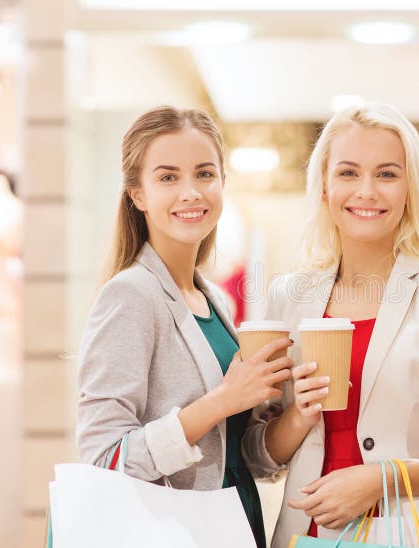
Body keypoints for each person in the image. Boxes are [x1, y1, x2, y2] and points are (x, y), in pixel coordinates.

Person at [245, 103, 419, 547]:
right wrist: (297, 416)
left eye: (387, 174)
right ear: (325, 189)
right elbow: (256, 457)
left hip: (410, 533)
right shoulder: (287, 298)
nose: (366, 191)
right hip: (305, 536)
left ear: (410, 190)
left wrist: (383, 479)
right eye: (348, 173)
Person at [76, 106, 293, 547]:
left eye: (204, 174)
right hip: (172, 529)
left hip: (232, 516)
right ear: (137, 194)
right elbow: (104, 459)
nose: (191, 192)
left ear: (223, 184)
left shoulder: (212, 300)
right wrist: (223, 400)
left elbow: (237, 453)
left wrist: (289, 408)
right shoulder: (132, 295)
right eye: (168, 177)